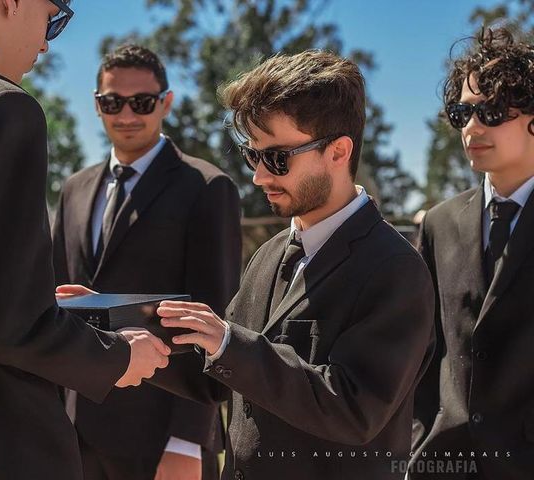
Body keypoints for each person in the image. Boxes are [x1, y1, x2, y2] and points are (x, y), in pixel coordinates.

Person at [0, 2, 170, 479]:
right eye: (53, 17)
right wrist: (119, 356)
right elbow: (9, 326)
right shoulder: (0, 108)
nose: (45, 42)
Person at [153, 50, 435, 479]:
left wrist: (231, 344)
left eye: (278, 158)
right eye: (253, 155)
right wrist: (113, 329)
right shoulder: (268, 255)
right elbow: (221, 377)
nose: (259, 176)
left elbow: (353, 410)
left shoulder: (396, 268)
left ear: (339, 152)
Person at [52, 44, 242, 480]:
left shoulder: (207, 188)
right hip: (75, 432)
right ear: (97, 105)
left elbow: (212, 318)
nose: (126, 114)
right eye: (112, 102)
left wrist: (188, 440)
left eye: (142, 102)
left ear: (166, 103)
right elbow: (58, 300)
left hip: (161, 440)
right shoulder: (73, 189)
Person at [410, 28, 534, 480]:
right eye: (464, 111)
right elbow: (424, 355)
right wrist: (417, 444)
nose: (472, 127)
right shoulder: (440, 223)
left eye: (493, 111)